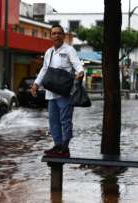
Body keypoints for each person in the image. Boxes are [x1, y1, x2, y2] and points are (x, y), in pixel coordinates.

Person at [31, 24, 84, 157]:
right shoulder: (48, 52)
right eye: (53, 33)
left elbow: (77, 64)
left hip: (64, 92)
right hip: (51, 93)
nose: (56, 36)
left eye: (59, 33)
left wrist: (81, 72)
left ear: (63, 36)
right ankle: (57, 145)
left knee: (65, 120)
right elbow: (44, 70)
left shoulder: (69, 50)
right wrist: (36, 84)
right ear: (50, 36)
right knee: (53, 121)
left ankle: (65, 148)